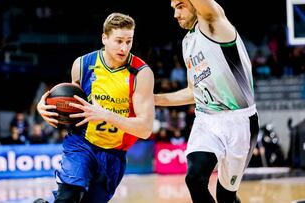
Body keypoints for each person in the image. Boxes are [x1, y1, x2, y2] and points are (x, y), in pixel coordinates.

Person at [37, 12, 154, 203]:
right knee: (69, 197)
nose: (124, 47)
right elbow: (69, 102)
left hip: (114, 153)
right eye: (118, 41)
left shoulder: (141, 73)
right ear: (104, 38)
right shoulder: (83, 64)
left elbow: (145, 129)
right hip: (81, 143)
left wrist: (106, 114)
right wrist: (45, 107)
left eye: (129, 41)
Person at [154, 1, 260, 203]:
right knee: (194, 179)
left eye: (181, 6)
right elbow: (193, 92)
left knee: (226, 197)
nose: (176, 14)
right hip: (206, 119)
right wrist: (152, 99)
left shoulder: (216, 24)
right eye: (173, 8)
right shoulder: (187, 42)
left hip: (240, 121)